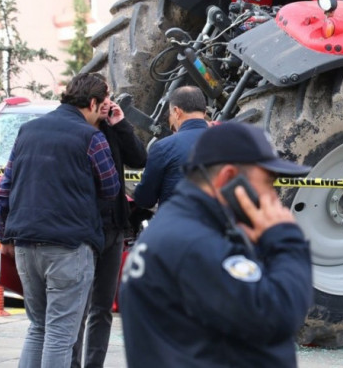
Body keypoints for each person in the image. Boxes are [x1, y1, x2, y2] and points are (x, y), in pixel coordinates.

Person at [119, 122, 314, 368]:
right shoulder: (194, 243)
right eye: (267, 182)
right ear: (229, 178)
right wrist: (286, 239)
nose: (273, 196)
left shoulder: (183, 227)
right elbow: (278, 315)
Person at [0, 73, 121, 368]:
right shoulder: (92, 137)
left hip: (25, 243)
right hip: (70, 246)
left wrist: (4, 235)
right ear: (93, 103)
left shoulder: (28, 130)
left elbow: (3, 190)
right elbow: (111, 188)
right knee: (60, 335)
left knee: (38, 327)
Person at [72, 77, 147, 368]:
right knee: (77, 307)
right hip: (83, 230)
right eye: (105, 97)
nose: (108, 102)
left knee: (102, 307)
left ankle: (93, 364)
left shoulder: (111, 127)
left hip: (113, 229)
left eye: (110, 97)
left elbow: (139, 159)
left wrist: (121, 124)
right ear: (91, 100)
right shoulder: (74, 130)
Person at [132, 86, 207, 208]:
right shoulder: (230, 142)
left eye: (170, 114)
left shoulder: (163, 148)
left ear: (177, 112)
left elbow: (145, 200)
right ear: (205, 112)